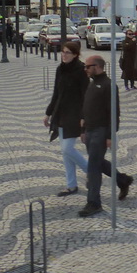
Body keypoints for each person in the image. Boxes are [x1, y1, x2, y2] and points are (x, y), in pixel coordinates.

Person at [79, 56, 132, 217]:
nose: (86, 69)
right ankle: (123, 179)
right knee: (99, 162)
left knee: (93, 166)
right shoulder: (92, 84)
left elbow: (114, 112)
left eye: (88, 66)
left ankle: (94, 203)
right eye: (85, 67)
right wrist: (82, 129)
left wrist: (110, 135)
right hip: (89, 130)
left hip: (101, 131)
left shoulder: (109, 85)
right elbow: (86, 106)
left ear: (98, 66)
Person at [43, 41, 90, 196]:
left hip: (75, 115)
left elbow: (86, 96)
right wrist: (48, 113)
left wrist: (84, 117)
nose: (64, 55)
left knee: (67, 148)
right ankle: (71, 185)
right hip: (61, 114)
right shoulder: (60, 69)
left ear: (75, 54)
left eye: (67, 52)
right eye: (63, 52)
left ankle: (91, 171)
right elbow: (56, 93)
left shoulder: (81, 71)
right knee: (65, 153)